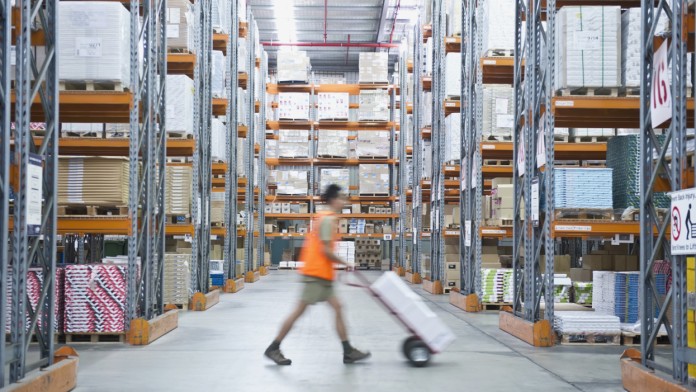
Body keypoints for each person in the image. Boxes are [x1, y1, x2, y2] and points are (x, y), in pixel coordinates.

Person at [264, 184, 371, 366]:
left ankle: (348, 351)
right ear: (333, 200)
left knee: (338, 308)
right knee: (299, 312)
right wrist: (347, 263)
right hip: (315, 275)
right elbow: (326, 251)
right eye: (341, 198)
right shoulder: (327, 220)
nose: (343, 201)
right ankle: (274, 347)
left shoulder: (328, 218)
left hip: (323, 276)